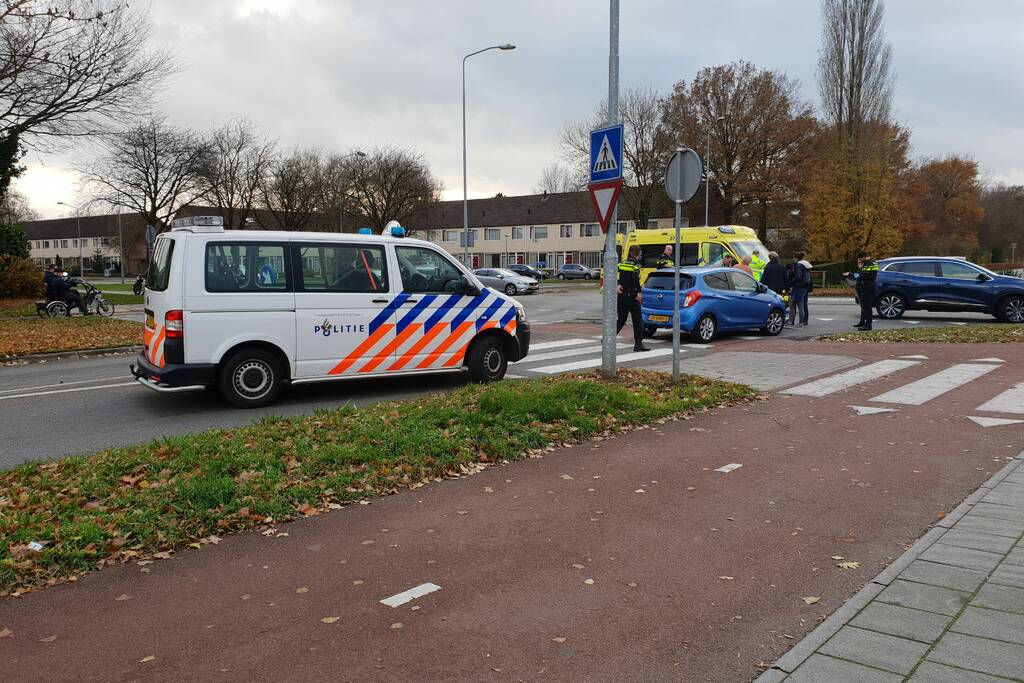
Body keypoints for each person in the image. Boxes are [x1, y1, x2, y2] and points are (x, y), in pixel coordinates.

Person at [616, 245, 650, 352]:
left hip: (622, 296)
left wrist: (618, 284)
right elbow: (635, 278)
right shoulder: (636, 265)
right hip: (632, 296)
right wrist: (639, 292)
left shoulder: (623, 263)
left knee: (621, 320)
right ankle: (638, 344)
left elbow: (617, 274)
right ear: (639, 254)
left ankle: (608, 338)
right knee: (638, 320)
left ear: (630, 253)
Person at [847, 250, 879, 330]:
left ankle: (868, 325)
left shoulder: (870, 263)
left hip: (868, 287)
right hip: (865, 286)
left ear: (864, 257)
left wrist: (853, 274)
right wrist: (859, 271)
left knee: (867, 307)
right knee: (864, 307)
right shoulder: (869, 262)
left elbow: (863, 275)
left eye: (860, 259)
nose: (860, 261)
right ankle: (863, 323)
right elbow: (861, 274)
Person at [788, 251, 812, 326]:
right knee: (802, 304)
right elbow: (809, 277)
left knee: (794, 304)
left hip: (798, 286)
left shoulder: (798, 265)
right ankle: (803, 321)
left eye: (793, 258)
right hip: (806, 286)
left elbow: (798, 276)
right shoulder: (806, 265)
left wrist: (791, 283)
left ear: (796, 258)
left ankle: (793, 322)